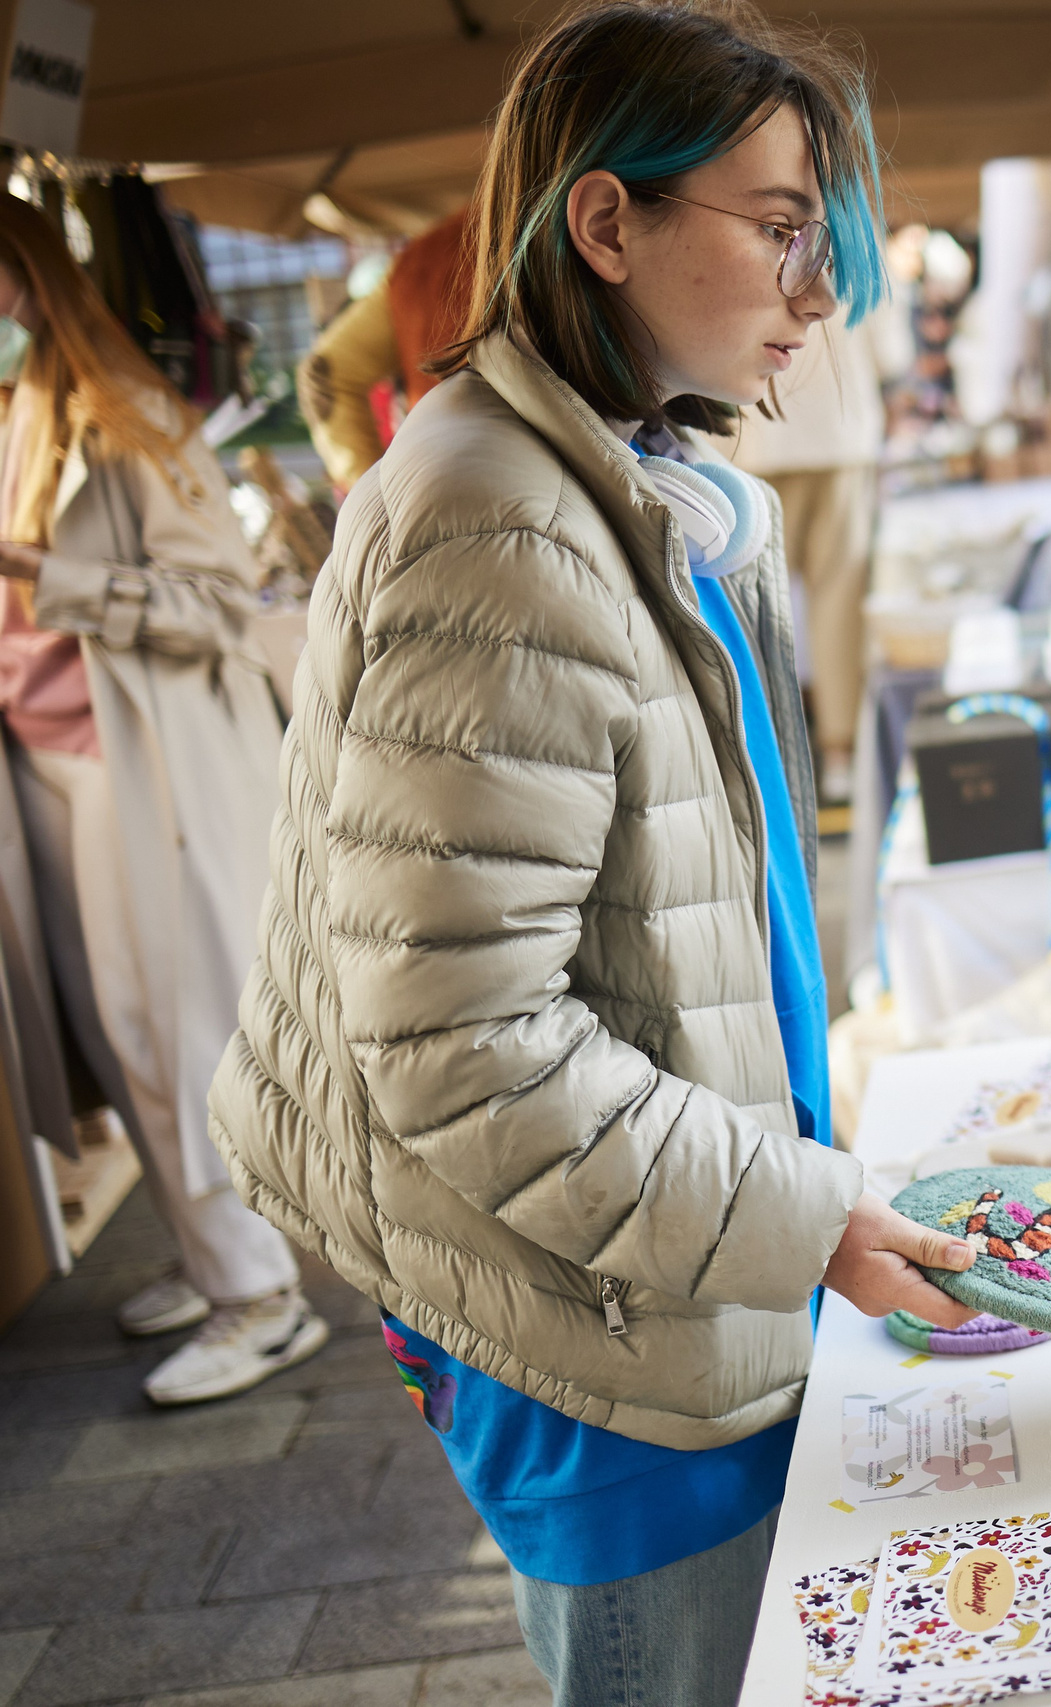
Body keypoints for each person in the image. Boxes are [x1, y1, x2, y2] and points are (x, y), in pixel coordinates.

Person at [208, 7, 977, 1702]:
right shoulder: (500, 521)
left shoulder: (626, 479)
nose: (820, 295)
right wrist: (804, 1211)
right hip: (605, 1339)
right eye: (783, 230)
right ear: (608, 222)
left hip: (657, 1263)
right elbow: (466, 1048)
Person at [0, 195, 322, 1407]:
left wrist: (53, 576)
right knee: (112, 1030)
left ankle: (261, 1298)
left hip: (141, 770)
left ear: (26, 274)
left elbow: (221, 607)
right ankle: (211, 1260)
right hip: (51, 763)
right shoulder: (24, 407)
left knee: (167, 1029)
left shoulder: (125, 415)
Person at [723, 272, 912, 806]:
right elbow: (891, 349)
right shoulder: (855, 232)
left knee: (752, 609)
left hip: (754, 439)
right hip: (838, 431)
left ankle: (757, 759)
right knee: (838, 603)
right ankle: (840, 754)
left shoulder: (745, 222)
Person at [297, 207, 473, 492]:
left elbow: (323, 374)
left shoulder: (436, 251)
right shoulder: (438, 253)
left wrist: (375, 499)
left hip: (451, 484)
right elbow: (324, 375)